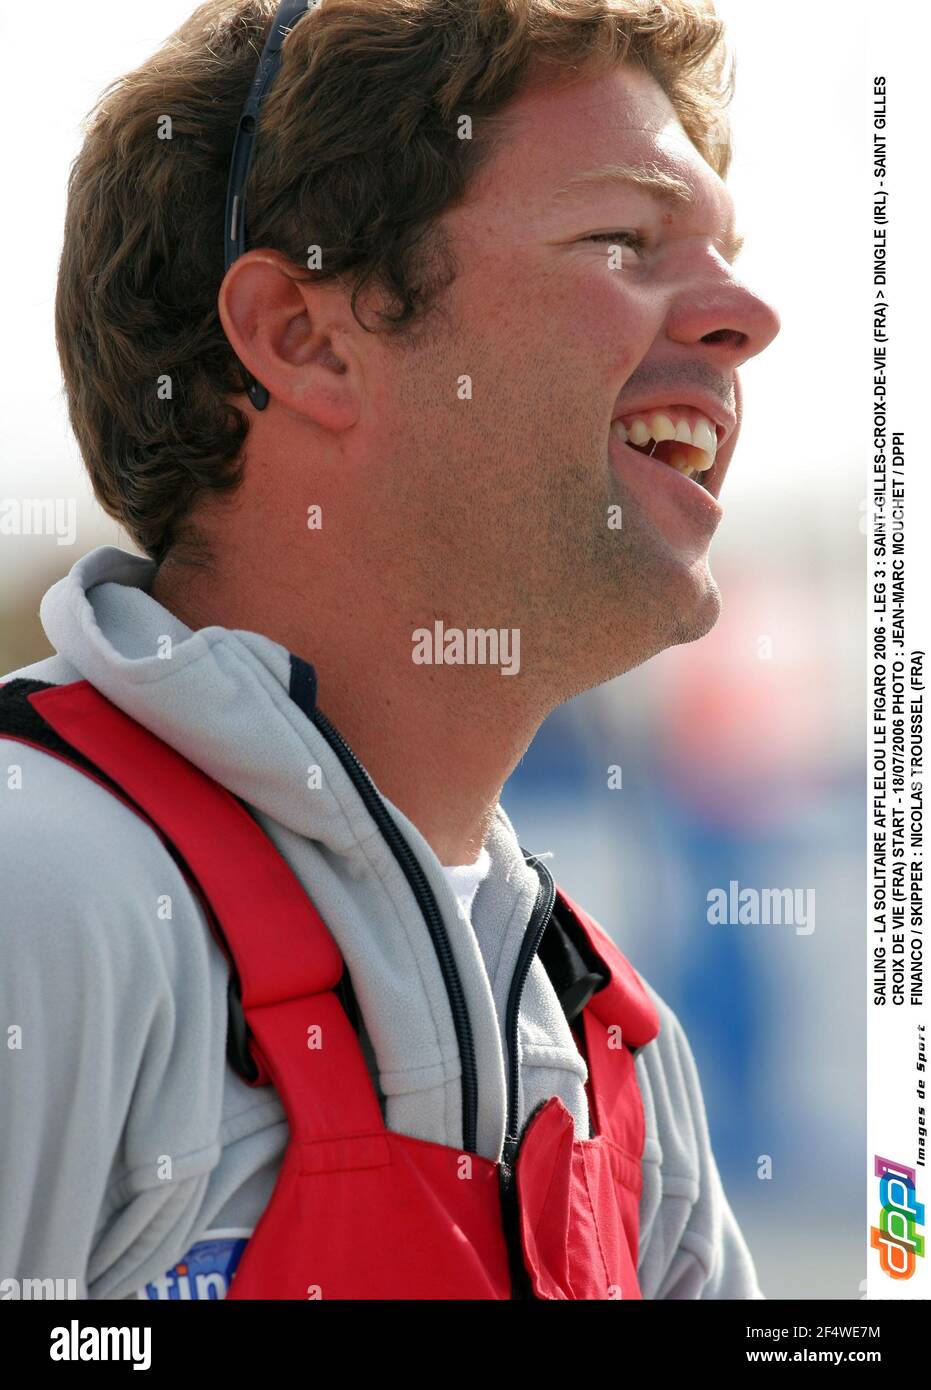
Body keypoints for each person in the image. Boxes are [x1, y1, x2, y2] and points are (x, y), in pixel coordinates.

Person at [0, 0, 780, 1300]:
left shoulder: (617, 1054)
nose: (747, 314)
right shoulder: (44, 891)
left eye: (724, 252)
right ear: (304, 338)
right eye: (626, 240)